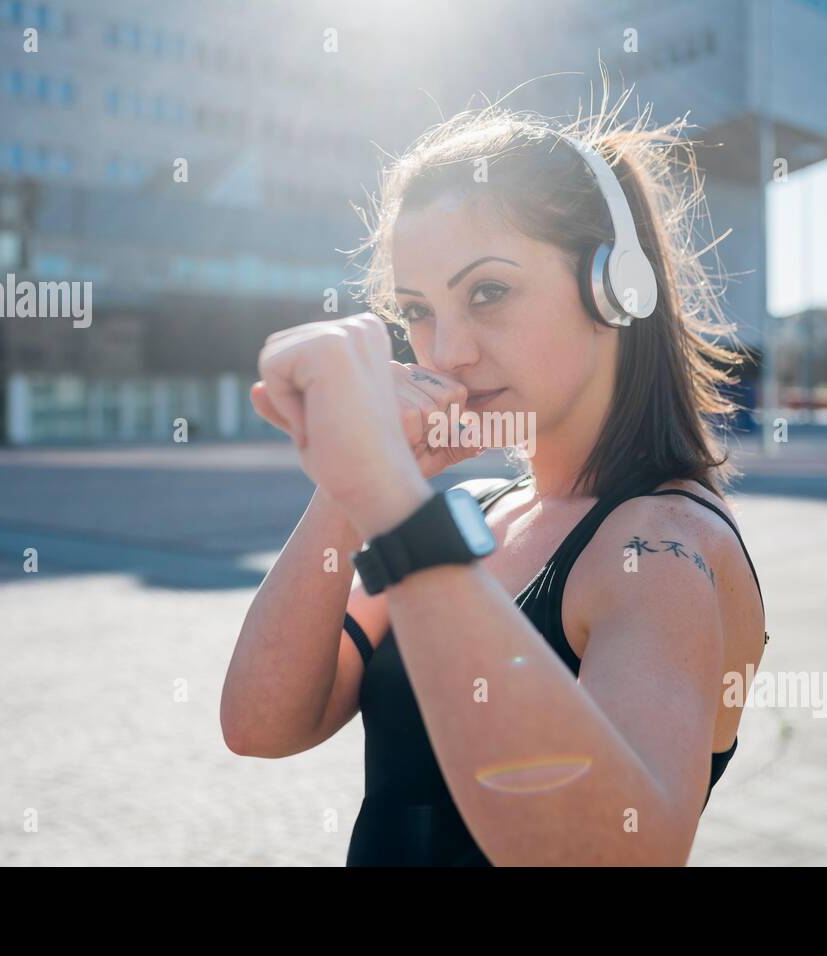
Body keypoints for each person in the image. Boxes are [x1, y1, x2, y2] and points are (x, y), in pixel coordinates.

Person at [220, 92, 769, 866]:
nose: (446, 353)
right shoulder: (470, 512)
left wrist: (390, 497)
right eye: (416, 310)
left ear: (616, 287)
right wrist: (350, 490)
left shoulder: (661, 547)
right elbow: (261, 725)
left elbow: (625, 853)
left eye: (488, 292)